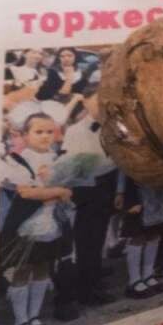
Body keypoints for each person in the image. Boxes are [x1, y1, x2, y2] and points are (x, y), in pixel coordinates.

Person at [0, 113, 72, 325]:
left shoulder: (56, 158)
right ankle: (21, 322)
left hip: (51, 223)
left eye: (49, 132)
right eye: (38, 132)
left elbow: (69, 189)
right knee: (22, 270)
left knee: (43, 268)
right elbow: (26, 192)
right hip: (27, 225)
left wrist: (58, 189)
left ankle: (34, 317)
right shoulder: (18, 160)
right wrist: (58, 191)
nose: (44, 136)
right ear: (24, 135)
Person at [59, 83, 118, 307]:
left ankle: (94, 277)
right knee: (86, 241)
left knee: (99, 236)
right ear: (84, 101)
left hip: (106, 185)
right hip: (87, 189)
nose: (102, 105)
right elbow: (77, 165)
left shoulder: (111, 126)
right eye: (97, 100)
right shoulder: (75, 131)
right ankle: (87, 291)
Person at [116, 174, 163, 299]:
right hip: (134, 189)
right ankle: (134, 281)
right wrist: (120, 191)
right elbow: (122, 169)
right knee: (137, 235)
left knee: (154, 233)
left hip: (155, 188)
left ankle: (148, 275)